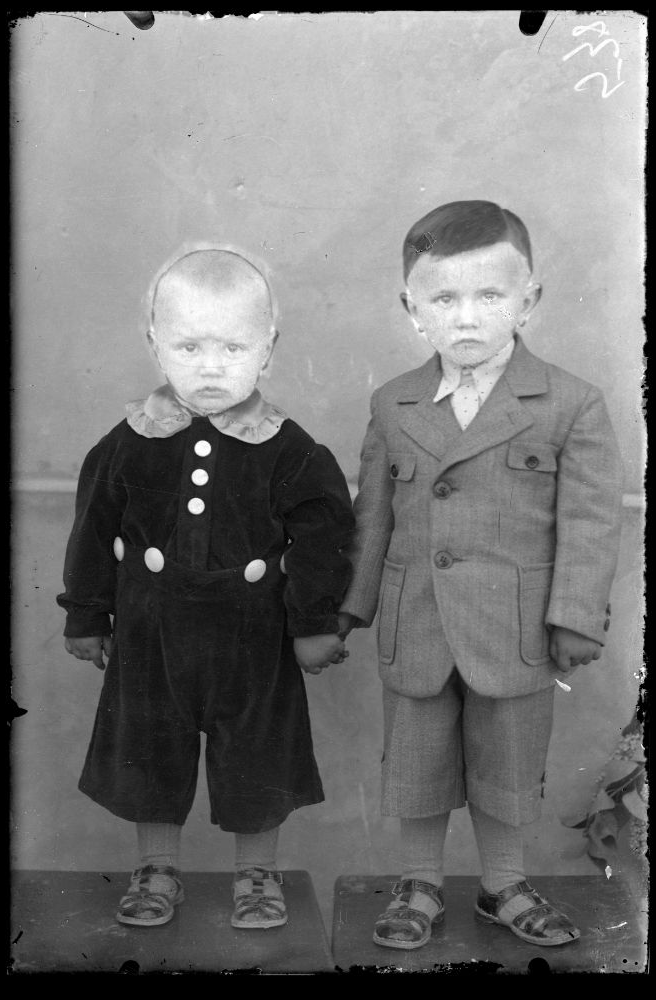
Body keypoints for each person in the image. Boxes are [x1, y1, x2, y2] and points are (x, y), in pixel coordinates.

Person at [338, 201, 623, 949]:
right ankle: (418, 883)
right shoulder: (393, 403)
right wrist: (347, 609)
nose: (465, 317)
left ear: (529, 300)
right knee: (416, 762)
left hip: (517, 627)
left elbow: (591, 521)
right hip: (416, 619)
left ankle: (504, 884)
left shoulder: (569, 404)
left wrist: (574, 616)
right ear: (411, 309)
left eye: (489, 295)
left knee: (507, 763)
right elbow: (372, 516)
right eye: (443, 299)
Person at [58, 246, 354, 930]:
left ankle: (257, 874)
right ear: (154, 344)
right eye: (189, 346)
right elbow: (92, 530)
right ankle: (157, 868)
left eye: (233, 347)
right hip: (150, 632)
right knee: (150, 747)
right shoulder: (126, 444)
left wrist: (313, 624)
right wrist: (86, 616)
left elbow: (323, 538)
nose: (211, 365)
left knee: (257, 752)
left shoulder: (290, 450)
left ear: (268, 348)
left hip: (252, 636)